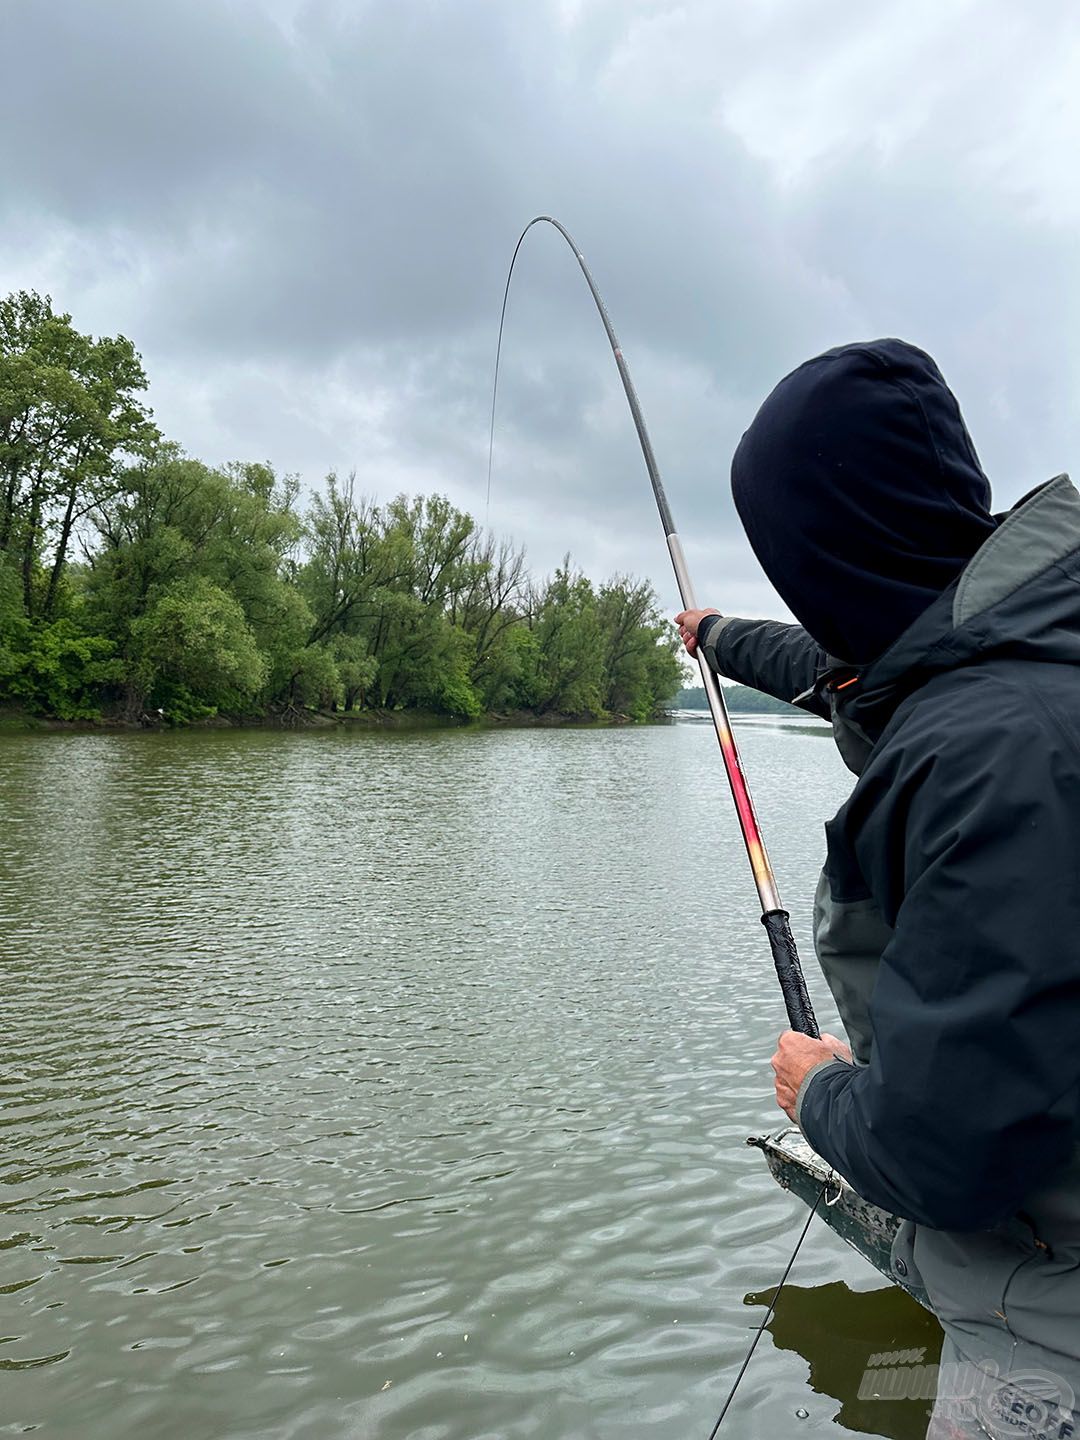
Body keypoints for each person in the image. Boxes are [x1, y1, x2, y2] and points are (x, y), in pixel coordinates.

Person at [676, 339, 1080, 1440]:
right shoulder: (1031, 658)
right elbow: (845, 670)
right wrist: (715, 637)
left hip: (1050, 1335)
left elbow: (951, 1160)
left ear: (825, 551)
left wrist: (823, 1094)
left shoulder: (993, 753)